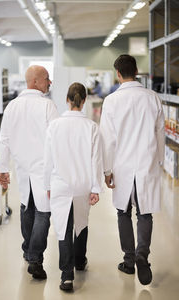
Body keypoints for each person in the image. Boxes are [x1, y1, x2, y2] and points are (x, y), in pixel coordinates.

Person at [100, 54, 165, 285]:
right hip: (146, 163)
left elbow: (107, 140)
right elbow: (160, 134)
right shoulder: (153, 97)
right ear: (136, 70)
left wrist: (107, 170)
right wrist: (159, 162)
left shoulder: (111, 101)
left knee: (123, 212)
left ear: (118, 73)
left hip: (122, 165)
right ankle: (142, 255)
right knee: (145, 213)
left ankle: (129, 261)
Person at [0, 65, 59, 280]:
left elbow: (3, 140)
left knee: (27, 207)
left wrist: (2, 169)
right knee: (43, 212)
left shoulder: (12, 106)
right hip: (43, 169)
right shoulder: (48, 106)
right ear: (35, 81)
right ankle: (35, 258)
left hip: (22, 168)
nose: (49, 82)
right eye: (46, 79)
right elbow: (56, 141)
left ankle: (27, 250)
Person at [44, 82, 103, 291]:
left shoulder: (54, 125)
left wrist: (47, 184)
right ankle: (80, 260)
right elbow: (96, 160)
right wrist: (96, 188)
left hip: (60, 183)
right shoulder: (92, 127)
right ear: (84, 101)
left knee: (63, 228)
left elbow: (48, 159)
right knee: (81, 222)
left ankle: (66, 276)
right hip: (82, 184)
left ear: (67, 100)